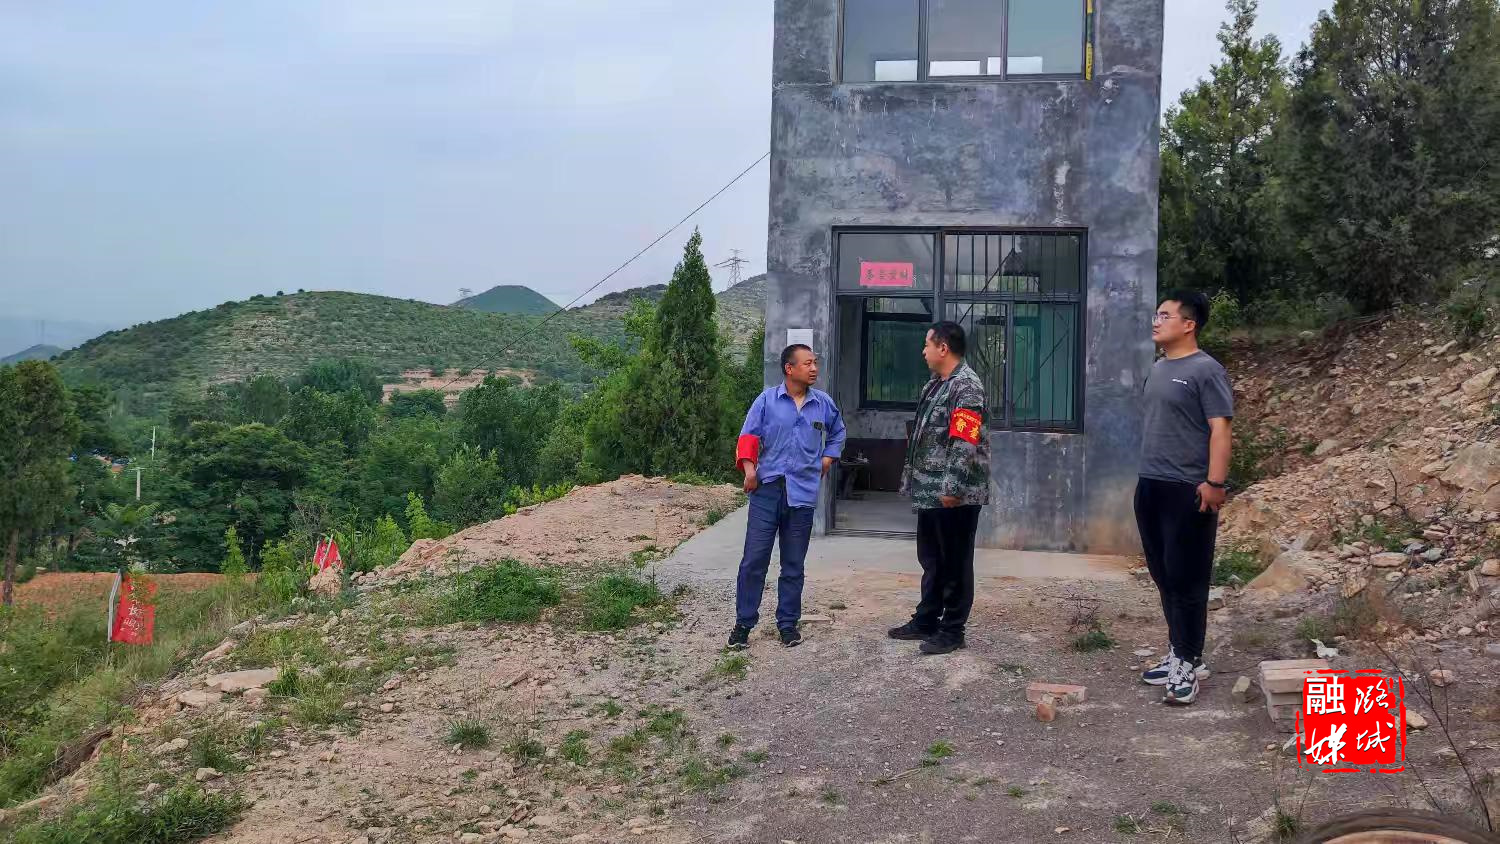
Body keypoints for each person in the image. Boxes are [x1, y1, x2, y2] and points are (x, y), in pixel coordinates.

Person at [1135, 290, 1234, 705]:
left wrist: (1214, 482)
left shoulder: (1206, 370)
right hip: (1151, 483)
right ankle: (1180, 650)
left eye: (1165, 315)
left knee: (1187, 577)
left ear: (1189, 324)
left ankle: (1188, 664)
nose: (1156, 321)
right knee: (1163, 574)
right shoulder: (1159, 368)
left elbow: (1220, 429)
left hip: (1189, 488)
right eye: (1156, 315)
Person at [728, 344, 846, 650]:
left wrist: (828, 458)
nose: (814, 368)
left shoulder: (822, 404)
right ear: (789, 369)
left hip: (802, 494)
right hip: (767, 491)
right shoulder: (767, 401)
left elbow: (838, 432)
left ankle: (788, 625)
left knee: (793, 564)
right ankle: (743, 624)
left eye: (815, 363)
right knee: (754, 560)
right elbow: (748, 437)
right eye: (807, 363)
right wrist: (750, 471)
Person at [889, 322, 991, 655]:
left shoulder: (967, 387)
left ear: (943, 348)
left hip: (954, 495)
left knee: (955, 562)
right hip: (931, 491)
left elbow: (964, 441)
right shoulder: (936, 384)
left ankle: (952, 630)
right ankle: (927, 619)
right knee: (932, 558)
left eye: (927, 344)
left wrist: (952, 487)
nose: (923, 351)